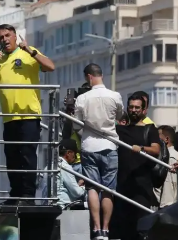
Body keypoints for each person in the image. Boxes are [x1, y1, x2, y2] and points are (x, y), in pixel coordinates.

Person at [0, 24, 55, 205]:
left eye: (8, 35)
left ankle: (28, 196)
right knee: (12, 157)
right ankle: (15, 194)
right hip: (9, 117)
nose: (5, 39)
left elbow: (50, 66)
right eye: (1, 37)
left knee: (27, 155)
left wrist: (30, 51)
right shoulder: (0, 60)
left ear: (15, 36)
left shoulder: (27, 52)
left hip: (29, 115)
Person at [73, 63, 123, 240]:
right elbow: (119, 116)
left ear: (88, 77)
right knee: (108, 189)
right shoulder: (114, 96)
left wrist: (84, 134)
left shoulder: (82, 98)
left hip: (89, 146)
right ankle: (106, 229)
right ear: (101, 75)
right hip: (110, 146)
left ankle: (96, 228)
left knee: (92, 188)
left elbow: (76, 124)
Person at [111, 94, 161, 240]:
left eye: (137, 107)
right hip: (122, 183)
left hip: (142, 184)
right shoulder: (119, 130)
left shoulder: (149, 129)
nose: (133, 110)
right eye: (131, 107)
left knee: (141, 224)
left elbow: (156, 149)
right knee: (124, 226)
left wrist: (141, 148)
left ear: (144, 110)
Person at [155, 125, 178, 208]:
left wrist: (166, 205)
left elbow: (169, 187)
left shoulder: (171, 158)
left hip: (166, 207)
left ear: (166, 139)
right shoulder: (167, 156)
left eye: (157, 136)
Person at [56, 138, 86, 208]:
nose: (75, 157)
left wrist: (78, 185)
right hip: (62, 206)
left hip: (49, 204)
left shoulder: (49, 165)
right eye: (75, 154)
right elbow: (77, 193)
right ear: (68, 153)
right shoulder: (65, 167)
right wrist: (85, 187)